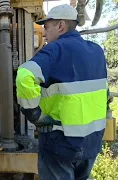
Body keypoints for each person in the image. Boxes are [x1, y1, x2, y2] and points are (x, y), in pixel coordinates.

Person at [16, 4, 108, 180]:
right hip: (91, 143)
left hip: (60, 143)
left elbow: (24, 76)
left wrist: (34, 114)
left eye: (46, 26)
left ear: (60, 26)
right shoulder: (97, 51)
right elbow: (106, 92)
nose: (44, 32)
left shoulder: (55, 50)